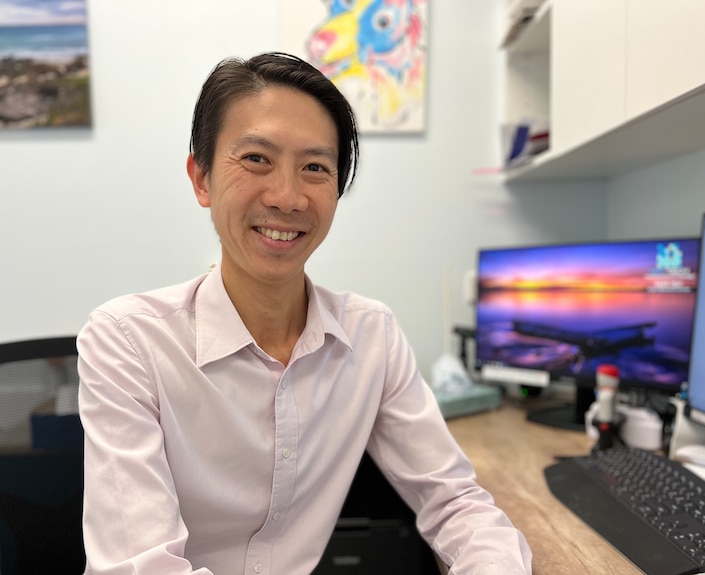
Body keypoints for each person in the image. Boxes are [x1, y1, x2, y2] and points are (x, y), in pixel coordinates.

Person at [77, 51, 533, 575]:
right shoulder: (128, 342)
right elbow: (141, 567)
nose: (288, 197)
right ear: (201, 179)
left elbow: (456, 502)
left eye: (315, 168)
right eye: (256, 159)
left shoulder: (371, 336)